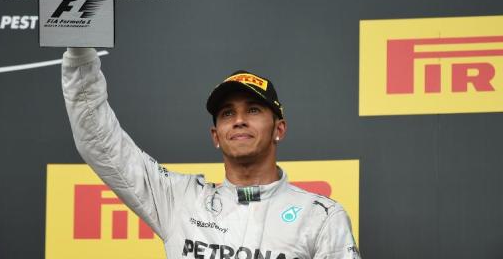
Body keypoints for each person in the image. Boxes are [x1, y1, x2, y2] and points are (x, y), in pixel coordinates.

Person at [62, 47, 361, 259]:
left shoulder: (319, 216)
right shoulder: (180, 200)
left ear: (279, 129)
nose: (239, 119)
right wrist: (79, 48)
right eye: (227, 113)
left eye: (253, 110)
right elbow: (99, 140)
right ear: (216, 136)